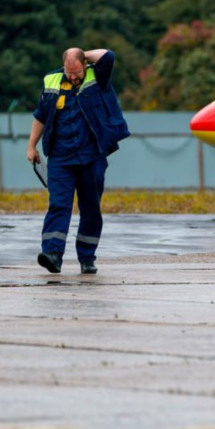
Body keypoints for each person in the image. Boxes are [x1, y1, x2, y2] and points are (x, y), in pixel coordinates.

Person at [27, 47, 130, 274]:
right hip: (60, 158)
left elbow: (109, 55)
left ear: (84, 64)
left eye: (77, 72)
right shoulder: (52, 81)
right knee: (59, 205)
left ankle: (87, 257)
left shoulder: (97, 76)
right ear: (63, 66)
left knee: (91, 208)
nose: (73, 77)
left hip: (91, 157)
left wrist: (82, 53)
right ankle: (53, 254)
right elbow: (40, 116)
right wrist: (32, 145)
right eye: (69, 73)